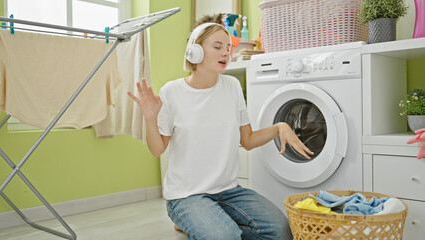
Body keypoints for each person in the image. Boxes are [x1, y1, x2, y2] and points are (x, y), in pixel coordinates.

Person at [128, 23, 313, 240]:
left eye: (228, 47)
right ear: (194, 51)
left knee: (281, 231)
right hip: (186, 196)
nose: (226, 52)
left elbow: (248, 140)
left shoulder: (232, 86)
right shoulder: (172, 91)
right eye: (217, 46)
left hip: (229, 191)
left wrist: (279, 127)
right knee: (226, 236)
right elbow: (157, 149)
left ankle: (208, 221)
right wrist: (150, 119)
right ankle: (191, 219)